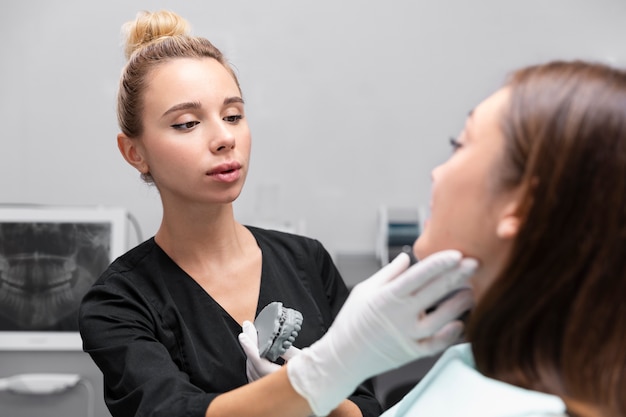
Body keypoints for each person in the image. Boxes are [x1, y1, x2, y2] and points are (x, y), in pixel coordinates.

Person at [78, 10, 477, 417]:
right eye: (187, 123)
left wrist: (332, 377)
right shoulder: (117, 303)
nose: (224, 138)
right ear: (135, 153)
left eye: (233, 116)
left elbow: (364, 407)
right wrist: (317, 377)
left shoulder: (307, 261)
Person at [378, 60, 626, 416]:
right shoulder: (480, 368)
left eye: (459, 144)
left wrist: (316, 379)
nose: (437, 172)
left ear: (521, 205)